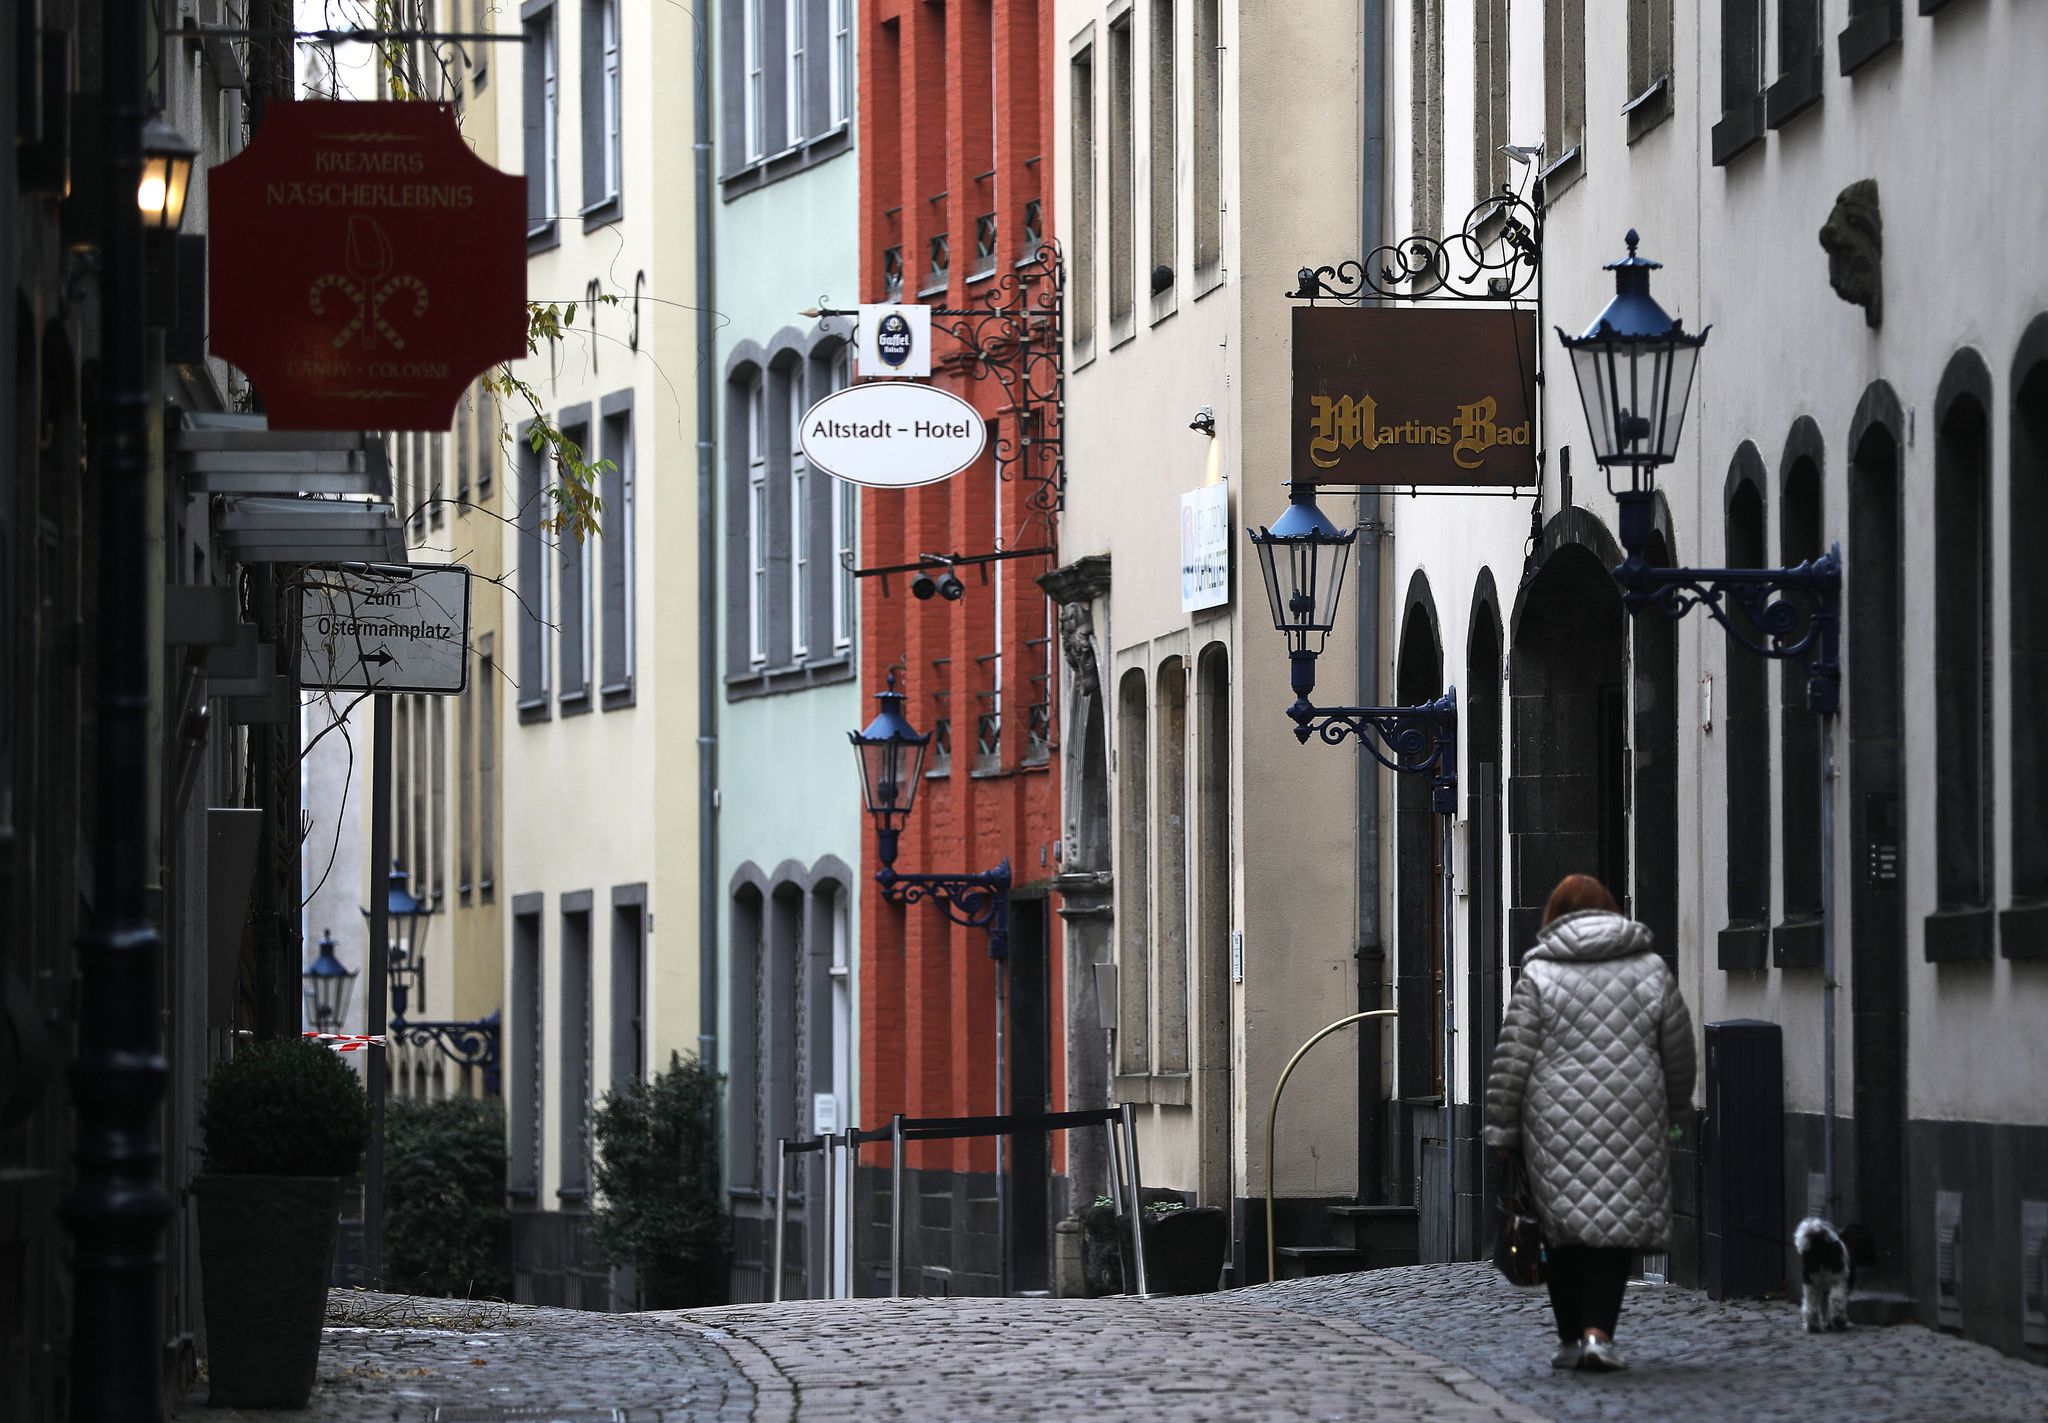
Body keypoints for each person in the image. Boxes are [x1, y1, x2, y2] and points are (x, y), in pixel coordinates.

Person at [1483, 873, 1696, 1373]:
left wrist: (1501, 1129)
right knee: (1613, 1229)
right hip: (1634, 1117)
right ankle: (1601, 1334)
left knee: (1564, 1233)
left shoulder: (1539, 974)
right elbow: (1679, 1050)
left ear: (1554, 918)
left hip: (1551, 1125)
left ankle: (1571, 1341)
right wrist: (1675, 1109)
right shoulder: (1650, 970)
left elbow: (1512, 1058)